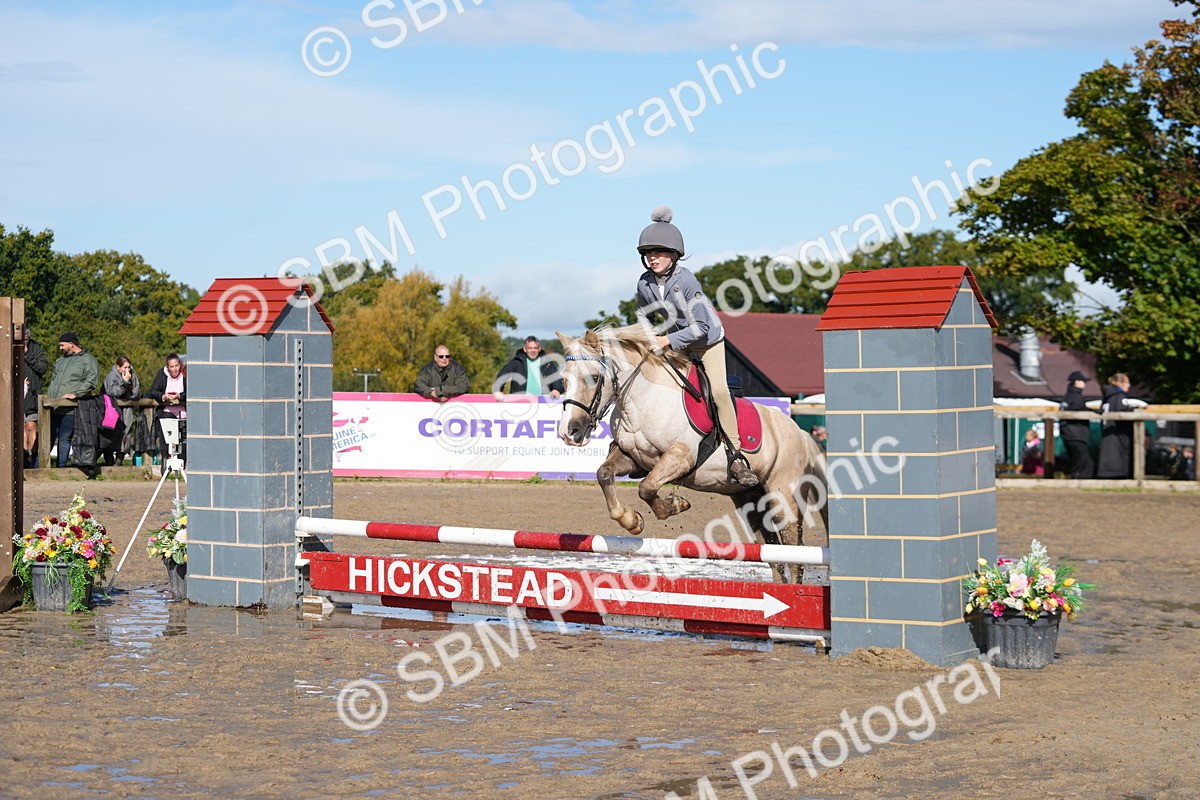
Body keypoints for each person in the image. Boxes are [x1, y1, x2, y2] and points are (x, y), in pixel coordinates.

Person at [633, 205, 757, 487]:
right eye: (648, 254)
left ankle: (736, 455)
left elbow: (701, 327)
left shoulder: (687, 281)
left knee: (719, 392)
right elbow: (644, 315)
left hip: (706, 341)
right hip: (676, 342)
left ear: (674, 255)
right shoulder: (644, 283)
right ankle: (648, 453)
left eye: (659, 253)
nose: (653, 258)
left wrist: (665, 340)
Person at [46, 331, 100, 468]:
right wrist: (49, 397)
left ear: (71, 344)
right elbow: (54, 381)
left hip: (71, 408)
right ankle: (40, 467)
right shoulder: (60, 361)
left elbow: (92, 381)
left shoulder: (88, 360)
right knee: (48, 438)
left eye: (62, 345)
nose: (60, 348)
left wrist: (75, 394)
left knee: (64, 438)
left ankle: (61, 468)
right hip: (53, 406)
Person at [147, 353, 187, 471]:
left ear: (180, 365)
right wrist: (163, 396)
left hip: (183, 412)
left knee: (182, 439)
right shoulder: (161, 374)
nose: (174, 369)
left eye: (176, 366)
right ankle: (165, 459)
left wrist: (180, 396)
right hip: (166, 410)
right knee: (166, 434)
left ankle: (182, 464)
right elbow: (153, 391)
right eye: (171, 367)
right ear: (167, 367)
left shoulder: (185, 374)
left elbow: (191, 390)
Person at [494, 336, 564, 398]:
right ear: (525, 349)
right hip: (519, 402)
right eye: (530, 348)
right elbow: (502, 375)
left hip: (542, 403)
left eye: (535, 348)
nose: (533, 350)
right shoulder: (516, 362)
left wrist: (556, 390)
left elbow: (556, 379)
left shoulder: (548, 363)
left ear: (539, 349)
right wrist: (498, 391)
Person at [102, 356, 140, 465]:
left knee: (126, 434)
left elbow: (135, 393)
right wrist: (124, 382)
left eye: (129, 367)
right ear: (118, 367)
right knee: (110, 434)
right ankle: (109, 463)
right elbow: (113, 393)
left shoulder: (133, 375)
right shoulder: (111, 376)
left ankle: (118, 463)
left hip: (127, 409)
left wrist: (127, 386)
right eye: (125, 367)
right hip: (112, 409)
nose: (127, 370)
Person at [1097, 372, 1135, 479]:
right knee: (1117, 455)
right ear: (1119, 383)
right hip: (1117, 432)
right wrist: (1132, 410)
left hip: (1107, 431)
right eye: (1127, 382)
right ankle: (1118, 474)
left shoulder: (1107, 397)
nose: (1129, 385)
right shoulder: (1119, 396)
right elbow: (1121, 412)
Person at [1059, 370, 1094, 479]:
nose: (1085, 383)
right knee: (1084, 462)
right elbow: (1077, 409)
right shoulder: (1075, 396)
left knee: (1077, 460)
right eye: (1083, 381)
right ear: (1077, 381)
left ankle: (1076, 480)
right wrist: (1091, 411)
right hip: (1076, 434)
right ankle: (1079, 481)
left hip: (1069, 433)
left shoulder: (1067, 396)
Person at [22, 332, 49, 468]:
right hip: (16, 394)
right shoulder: (9, 346)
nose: (24, 341)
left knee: (31, 427)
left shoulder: (36, 348)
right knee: (20, 429)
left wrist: (27, 355)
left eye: (26, 338)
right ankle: (22, 459)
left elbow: (43, 368)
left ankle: (34, 460)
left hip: (32, 395)